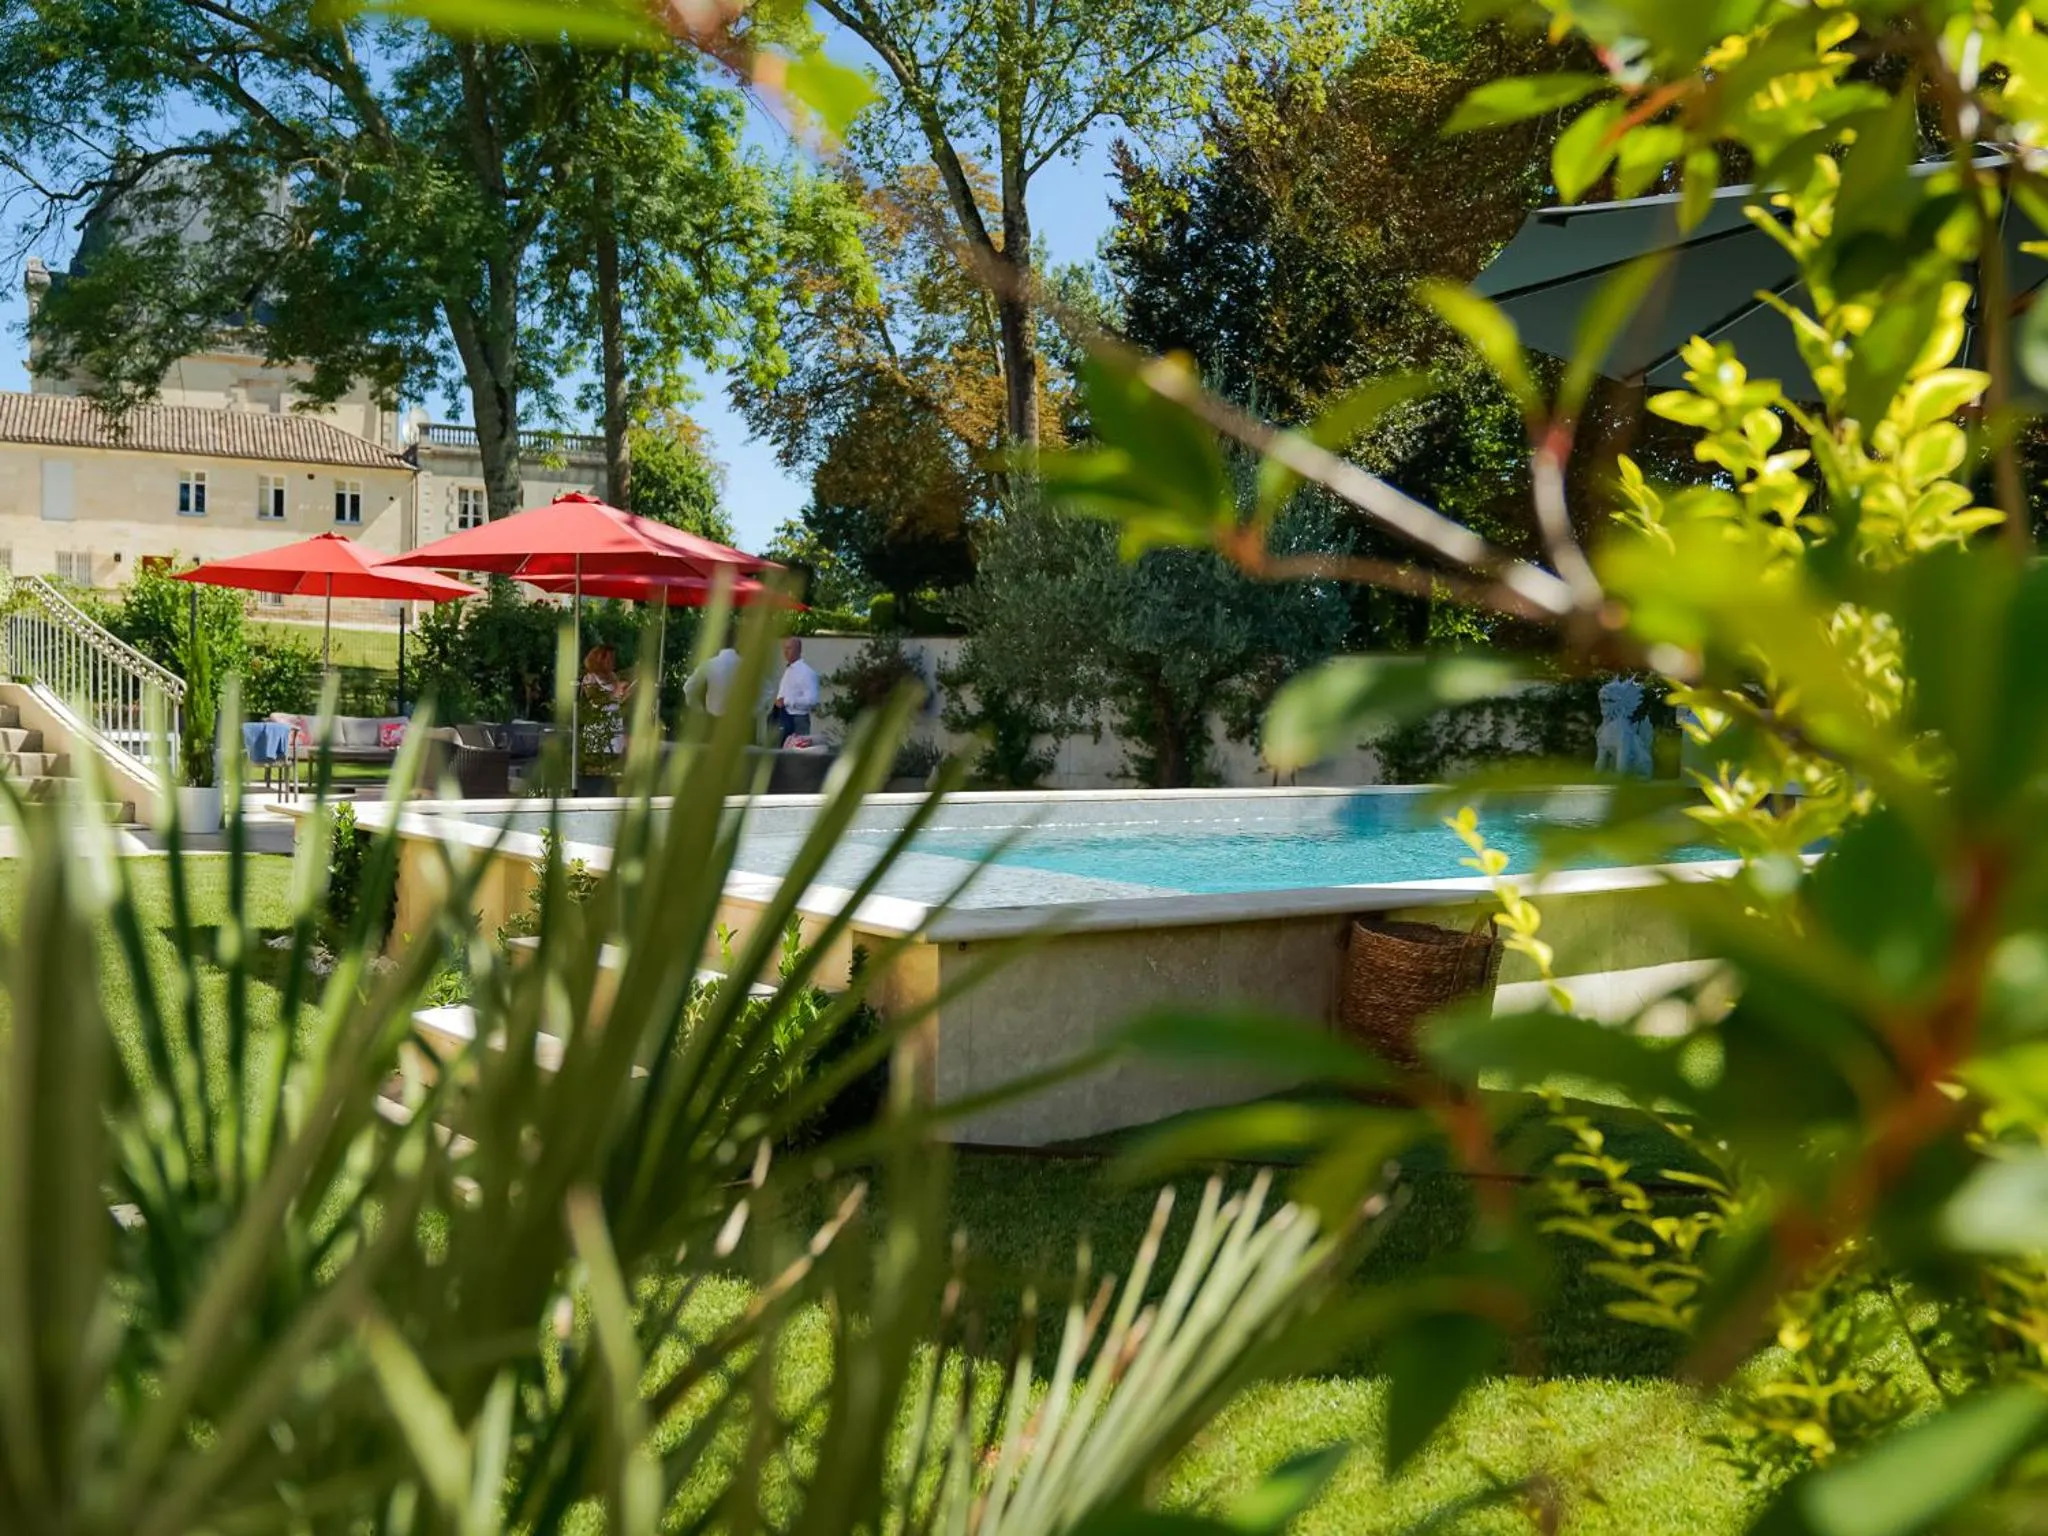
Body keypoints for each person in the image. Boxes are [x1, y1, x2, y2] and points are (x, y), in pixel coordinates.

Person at [683, 629, 744, 717]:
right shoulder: (745, 665)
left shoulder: (707, 665)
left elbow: (688, 688)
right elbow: (763, 694)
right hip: (741, 719)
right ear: (737, 641)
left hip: (712, 719)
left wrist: (700, 709)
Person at [772, 636, 821, 744]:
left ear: (798, 650)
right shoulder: (789, 670)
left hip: (797, 720)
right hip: (783, 716)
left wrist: (787, 701)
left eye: (789, 648)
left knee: (796, 750)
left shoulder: (806, 672)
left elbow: (812, 700)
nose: (785, 652)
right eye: (784, 648)